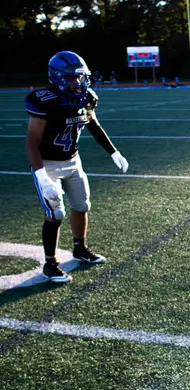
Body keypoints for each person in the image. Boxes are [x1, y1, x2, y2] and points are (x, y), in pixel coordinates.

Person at [25, 51, 129, 283]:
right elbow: (32, 142)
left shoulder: (87, 97)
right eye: (71, 78)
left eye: (80, 77)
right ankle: (50, 264)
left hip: (73, 160)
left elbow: (93, 123)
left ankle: (79, 248)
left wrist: (114, 152)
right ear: (58, 77)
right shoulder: (44, 101)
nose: (77, 82)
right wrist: (42, 176)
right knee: (55, 214)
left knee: (82, 206)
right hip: (47, 164)